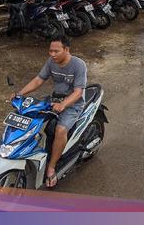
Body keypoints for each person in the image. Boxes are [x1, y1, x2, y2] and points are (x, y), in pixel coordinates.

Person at [11, 35, 87, 188]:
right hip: (54, 100)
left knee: (60, 130)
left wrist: (64, 104)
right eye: (50, 51)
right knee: (29, 117)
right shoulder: (51, 62)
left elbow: (78, 92)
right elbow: (39, 79)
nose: (52, 54)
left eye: (56, 51)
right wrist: (20, 93)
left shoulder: (79, 65)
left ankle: (51, 166)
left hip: (73, 104)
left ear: (66, 49)